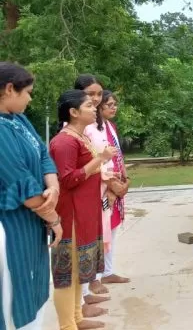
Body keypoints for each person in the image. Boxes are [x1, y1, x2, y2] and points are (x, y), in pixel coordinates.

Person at [0, 63, 61, 330]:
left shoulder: (18, 119)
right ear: (9, 89)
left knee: (35, 286)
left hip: (32, 222)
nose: (30, 99)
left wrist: (53, 186)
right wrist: (54, 219)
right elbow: (20, 183)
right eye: (28, 92)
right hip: (11, 227)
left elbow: (43, 153)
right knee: (16, 294)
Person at [50, 89, 117, 330]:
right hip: (71, 215)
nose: (94, 108)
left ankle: (77, 317)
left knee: (78, 272)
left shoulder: (79, 137)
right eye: (89, 105)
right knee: (68, 275)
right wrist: (100, 159)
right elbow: (68, 179)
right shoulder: (64, 141)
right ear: (74, 112)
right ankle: (67, 325)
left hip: (85, 212)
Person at [72, 75, 111, 316]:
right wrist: (104, 170)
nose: (96, 100)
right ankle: (78, 306)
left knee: (92, 240)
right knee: (79, 246)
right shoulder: (69, 136)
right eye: (90, 96)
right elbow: (72, 174)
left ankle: (85, 293)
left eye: (99, 94)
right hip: (83, 195)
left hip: (96, 190)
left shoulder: (89, 128)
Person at [95, 91, 130, 284]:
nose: (113, 108)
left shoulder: (110, 126)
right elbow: (98, 160)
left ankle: (108, 271)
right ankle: (97, 275)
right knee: (102, 228)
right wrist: (111, 186)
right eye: (109, 105)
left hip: (116, 185)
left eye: (115, 104)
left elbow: (118, 156)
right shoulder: (92, 129)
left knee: (113, 226)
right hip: (103, 188)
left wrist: (124, 179)